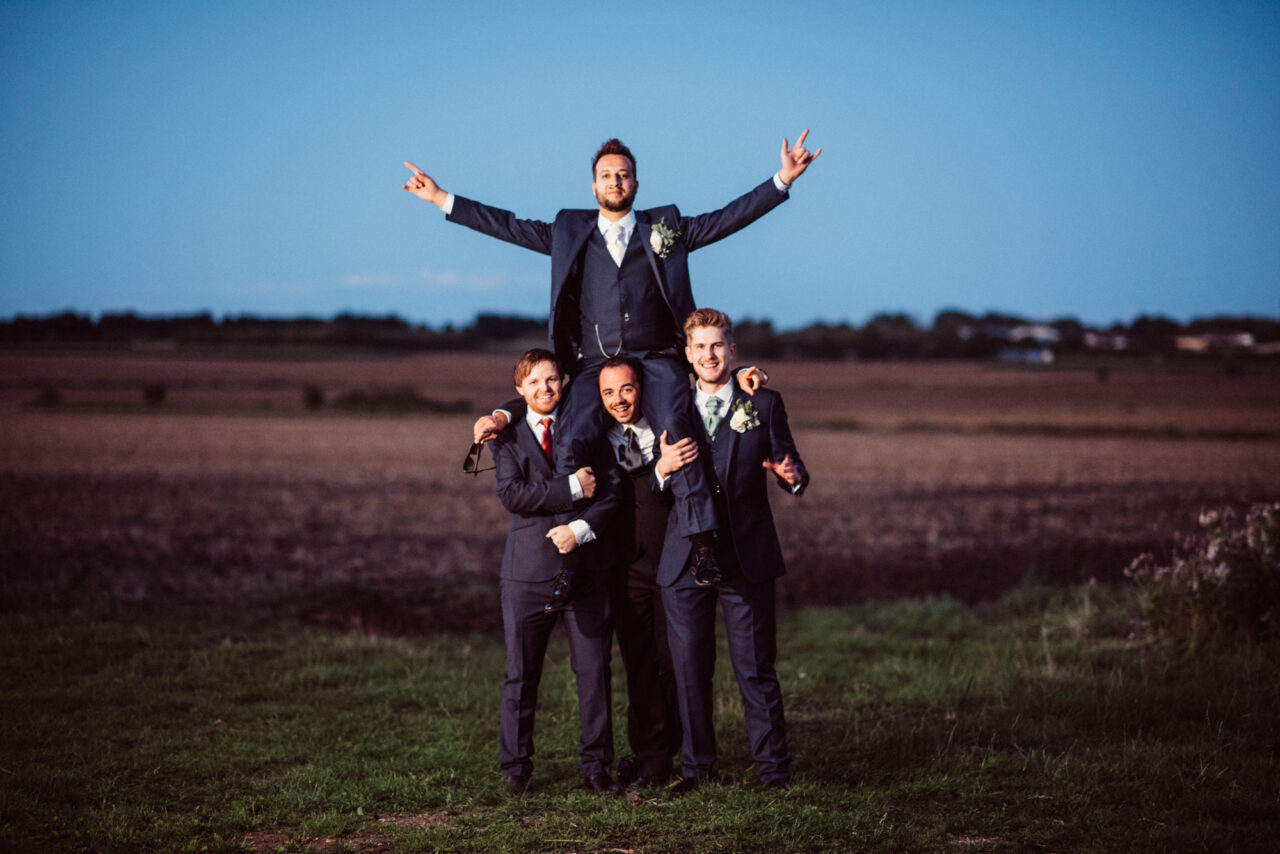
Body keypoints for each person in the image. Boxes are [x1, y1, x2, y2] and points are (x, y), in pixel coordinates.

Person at [404, 133, 821, 585]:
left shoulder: (667, 227)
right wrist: (442, 198)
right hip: (590, 364)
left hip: (657, 357)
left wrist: (782, 179)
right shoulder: (568, 230)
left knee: (677, 433)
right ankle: (572, 555)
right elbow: (508, 225)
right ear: (593, 186)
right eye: (606, 175)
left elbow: (725, 219)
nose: (615, 181)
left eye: (623, 175)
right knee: (572, 434)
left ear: (637, 183)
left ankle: (703, 546)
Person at [655, 308, 809, 795]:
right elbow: (656, 488)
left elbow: (792, 465)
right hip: (684, 557)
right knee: (689, 668)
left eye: (717, 345)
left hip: (747, 556)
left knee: (756, 667)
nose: (709, 355)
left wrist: (793, 478)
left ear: (733, 350)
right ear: (687, 354)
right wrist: (661, 468)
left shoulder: (763, 404)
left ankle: (773, 772)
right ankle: (697, 770)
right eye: (699, 347)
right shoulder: (670, 403)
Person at [489, 348, 622, 797]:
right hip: (526, 573)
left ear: (563, 382)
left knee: (594, 671)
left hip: (585, 567)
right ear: (519, 390)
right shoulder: (503, 438)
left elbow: (611, 490)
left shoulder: (587, 427)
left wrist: (581, 529)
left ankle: (596, 766)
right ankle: (517, 768)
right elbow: (513, 495)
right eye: (534, 382)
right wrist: (569, 488)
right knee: (521, 674)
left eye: (551, 380)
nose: (544, 389)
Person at [595, 356, 695, 789]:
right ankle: (652, 758)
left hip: (672, 560)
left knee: (675, 662)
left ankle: (686, 748)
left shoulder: (668, 425)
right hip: (623, 564)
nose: (619, 400)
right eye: (608, 392)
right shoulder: (595, 438)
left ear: (642, 389)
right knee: (638, 663)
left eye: (627, 389)